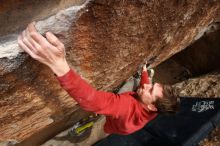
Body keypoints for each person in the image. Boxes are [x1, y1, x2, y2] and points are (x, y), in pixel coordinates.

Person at [17, 23, 180, 135]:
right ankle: (97, 118)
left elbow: (92, 100)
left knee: (103, 118)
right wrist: (144, 73)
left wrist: (60, 66)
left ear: (151, 107)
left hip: (116, 126)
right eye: (152, 84)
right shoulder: (158, 106)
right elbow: (148, 87)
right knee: (109, 108)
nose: (147, 85)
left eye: (150, 90)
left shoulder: (126, 107)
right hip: (128, 121)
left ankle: (93, 123)